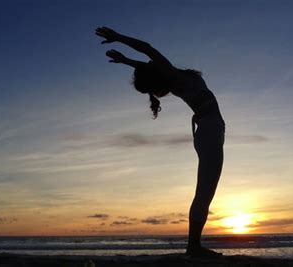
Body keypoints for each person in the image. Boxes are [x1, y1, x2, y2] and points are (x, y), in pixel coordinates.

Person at [95, 27, 225, 258]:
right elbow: (148, 50)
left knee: (205, 191)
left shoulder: (173, 75)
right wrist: (119, 38)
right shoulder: (174, 79)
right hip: (209, 131)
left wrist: (126, 61)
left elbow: (147, 64)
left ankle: (194, 246)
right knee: (205, 192)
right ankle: (193, 247)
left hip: (207, 131)